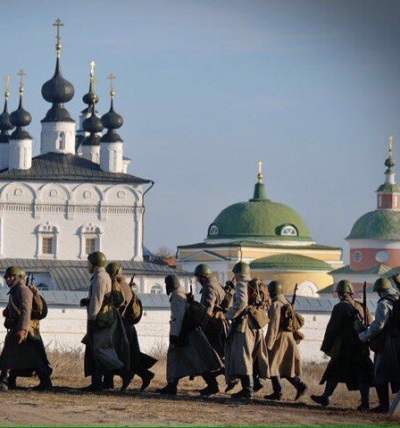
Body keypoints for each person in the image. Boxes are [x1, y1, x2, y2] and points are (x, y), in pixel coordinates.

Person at [311, 280, 374, 411]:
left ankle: (326, 397)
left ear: (340, 293)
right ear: (350, 292)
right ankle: (365, 403)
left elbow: (332, 328)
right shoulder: (361, 306)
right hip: (361, 346)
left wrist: (327, 346)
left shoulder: (340, 307)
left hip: (345, 347)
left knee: (334, 371)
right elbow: (370, 324)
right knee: (361, 374)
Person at [156, 274, 222, 396]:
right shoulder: (183, 294)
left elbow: (178, 317)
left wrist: (174, 335)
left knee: (193, 361)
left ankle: (212, 385)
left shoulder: (177, 297)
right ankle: (172, 385)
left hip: (184, 334)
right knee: (180, 359)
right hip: (188, 332)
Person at [81, 251, 132, 391]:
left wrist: (92, 318)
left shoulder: (100, 278)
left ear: (94, 263)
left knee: (100, 349)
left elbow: (98, 299)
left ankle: (124, 372)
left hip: (101, 319)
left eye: (89, 263)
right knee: (98, 350)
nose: (87, 266)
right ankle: (98, 382)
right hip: (103, 317)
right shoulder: (100, 276)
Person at [104, 262, 157, 391]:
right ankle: (145, 375)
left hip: (121, 326)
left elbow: (117, 305)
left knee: (114, 353)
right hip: (127, 325)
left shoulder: (118, 286)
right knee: (128, 356)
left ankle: (110, 380)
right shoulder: (125, 285)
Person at [0, 266, 52, 390]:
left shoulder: (23, 290)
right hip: (17, 328)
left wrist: (22, 330)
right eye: (7, 277)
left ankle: (5, 382)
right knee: (11, 356)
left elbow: (25, 311)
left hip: (26, 330)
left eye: (11, 277)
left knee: (33, 358)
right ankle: (8, 381)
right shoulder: (15, 290)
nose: (8, 280)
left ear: (18, 278)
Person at [224, 263, 269, 400]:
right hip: (255, 324)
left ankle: (247, 389)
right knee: (252, 356)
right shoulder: (254, 284)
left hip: (244, 326)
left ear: (237, 273)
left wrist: (229, 315)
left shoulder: (241, 284)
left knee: (243, 356)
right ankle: (254, 383)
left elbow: (242, 303)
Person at [358, 277, 400, 413]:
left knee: (379, 372)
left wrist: (364, 335)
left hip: (388, 342)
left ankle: (383, 406)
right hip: (397, 341)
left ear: (380, 291)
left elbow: (378, 325)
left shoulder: (384, 303)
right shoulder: (398, 299)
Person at [265, 280, 307, 401]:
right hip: (288, 336)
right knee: (284, 366)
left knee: (273, 364)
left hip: (279, 337)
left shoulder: (276, 304)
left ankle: (278, 392)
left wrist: (269, 342)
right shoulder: (285, 301)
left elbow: (273, 324)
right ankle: (300, 386)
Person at [194, 263, 229, 395]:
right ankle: (225, 376)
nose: (198, 281)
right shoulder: (217, 284)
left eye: (198, 278)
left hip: (212, 325)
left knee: (204, 356)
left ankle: (213, 384)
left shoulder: (209, 287)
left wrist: (201, 326)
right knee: (217, 355)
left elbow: (208, 309)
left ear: (203, 277)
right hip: (218, 323)